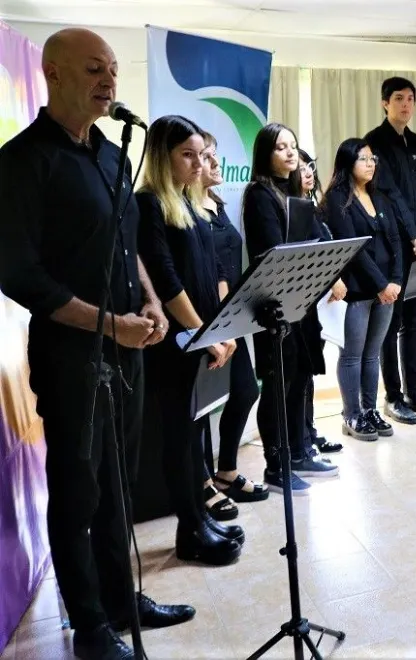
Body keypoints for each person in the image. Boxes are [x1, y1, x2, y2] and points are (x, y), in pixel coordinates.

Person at [0, 27, 193, 660]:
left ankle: (121, 599)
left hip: (126, 345)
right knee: (79, 490)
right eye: (93, 70)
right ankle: (88, 625)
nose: (109, 80)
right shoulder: (23, 161)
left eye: (111, 69)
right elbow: (20, 274)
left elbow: (127, 243)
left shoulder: (113, 153)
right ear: (52, 74)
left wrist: (145, 300)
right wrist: (109, 324)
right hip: (70, 355)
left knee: (119, 482)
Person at [136, 115, 243, 567]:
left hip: (200, 337)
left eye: (202, 154)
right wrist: (202, 333)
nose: (199, 163)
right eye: (187, 154)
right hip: (176, 343)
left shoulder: (188, 203)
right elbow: (166, 279)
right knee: (180, 439)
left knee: (197, 431)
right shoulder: (148, 205)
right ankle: (190, 531)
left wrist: (220, 331)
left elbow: (208, 274)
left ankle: (199, 516)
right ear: (164, 157)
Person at [242, 123, 342, 495]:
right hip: (275, 307)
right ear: (265, 153)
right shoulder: (258, 194)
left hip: (301, 301)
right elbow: (274, 250)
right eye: (281, 147)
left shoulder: (291, 193)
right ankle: (275, 464)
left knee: (300, 379)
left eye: (293, 147)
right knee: (277, 387)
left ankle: (299, 451)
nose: (290, 153)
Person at [364, 76, 416, 424]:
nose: (406, 105)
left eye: (411, 99)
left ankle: (415, 392)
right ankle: (393, 397)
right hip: (393, 246)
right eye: (399, 98)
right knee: (391, 322)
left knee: (413, 322)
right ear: (385, 103)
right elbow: (389, 193)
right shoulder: (374, 141)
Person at [195, 131, 269, 503]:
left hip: (231, 316)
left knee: (245, 391)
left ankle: (225, 472)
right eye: (206, 156)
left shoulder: (217, 203)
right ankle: (202, 482)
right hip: (204, 319)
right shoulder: (186, 210)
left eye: (213, 154)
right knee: (200, 408)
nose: (214, 162)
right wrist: (220, 324)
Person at [320, 138, 402, 440]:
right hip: (356, 292)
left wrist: (395, 281)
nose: (370, 164)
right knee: (352, 355)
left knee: (372, 355)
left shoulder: (379, 197)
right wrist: (381, 285)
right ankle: (351, 415)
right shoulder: (336, 200)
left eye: (373, 159)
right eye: (364, 159)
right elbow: (354, 251)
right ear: (347, 163)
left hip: (387, 292)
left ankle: (369, 410)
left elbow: (395, 242)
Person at [298, 148, 343, 453]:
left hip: (324, 303)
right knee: (299, 377)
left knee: (309, 374)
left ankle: (309, 430)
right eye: (301, 168)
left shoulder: (315, 207)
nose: (308, 172)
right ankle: (301, 436)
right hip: (305, 303)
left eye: (310, 166)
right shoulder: (293, 212)